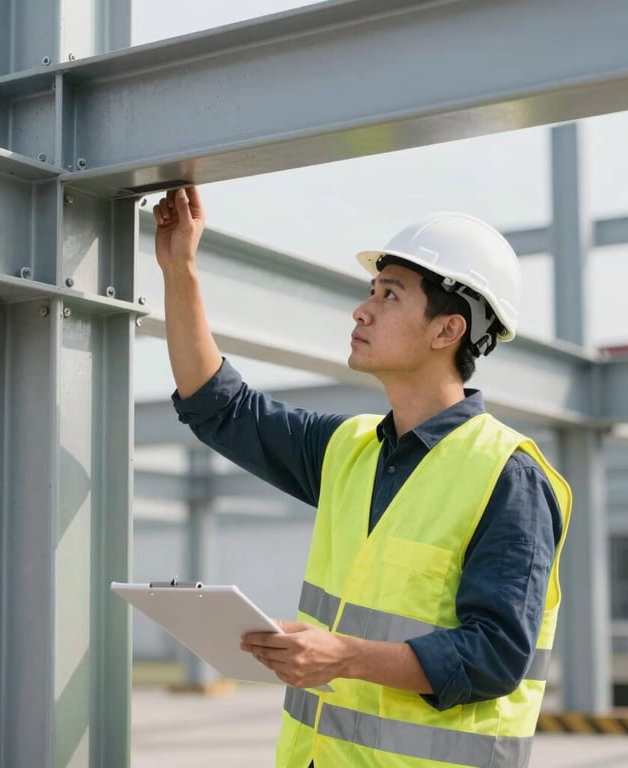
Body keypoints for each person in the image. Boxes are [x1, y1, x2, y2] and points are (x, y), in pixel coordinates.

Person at [154, 186, 571, 768]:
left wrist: (343, 656)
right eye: (371, 291)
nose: (362, 309)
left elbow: (495, 656)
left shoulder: (508, 477)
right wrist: (180, 271)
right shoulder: (348, 451)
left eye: (390, 295)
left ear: (447, 331)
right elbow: (220, 409)